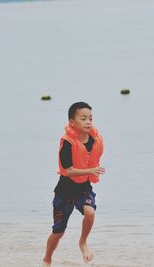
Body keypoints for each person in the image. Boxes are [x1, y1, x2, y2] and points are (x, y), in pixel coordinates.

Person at [43, 102, 105, 266]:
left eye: (90, 118)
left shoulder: (94, 139)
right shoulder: (67, 143)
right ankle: (47, 258)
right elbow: (68, 170)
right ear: (72, 122)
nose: (88, 122)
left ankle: (82, 242)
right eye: (83, 118)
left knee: (90, 212)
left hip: (83, 188)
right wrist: (91, 170)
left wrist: (90, 170)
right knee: (58, 232)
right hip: (64, 192)